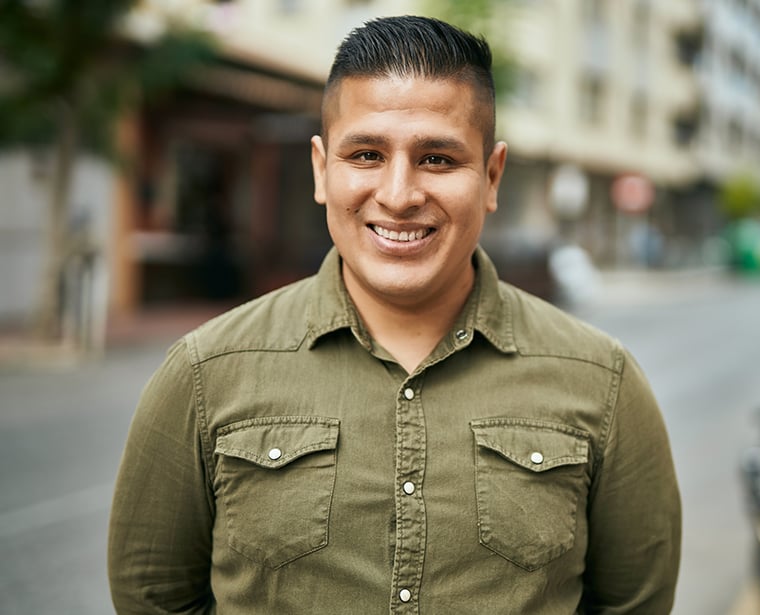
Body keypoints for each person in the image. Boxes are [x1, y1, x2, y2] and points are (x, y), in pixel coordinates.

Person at [108, 15, 681, 614]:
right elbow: (155, 598)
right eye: (366, 154)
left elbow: (632, 604)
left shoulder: (602, 382)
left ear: (491, 176)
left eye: (437, 158)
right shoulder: (205, 373)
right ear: (321, 170)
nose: (399, 194)